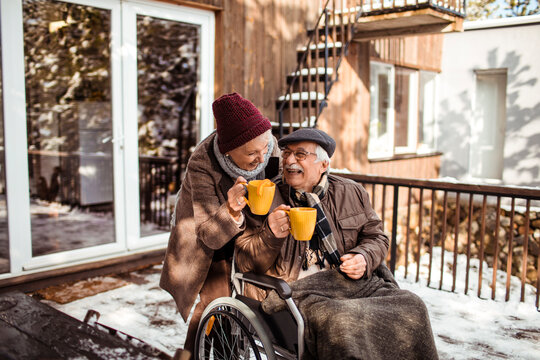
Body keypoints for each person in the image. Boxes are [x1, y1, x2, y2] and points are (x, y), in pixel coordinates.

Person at [235, 128, 439, 360]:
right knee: (342, 322)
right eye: (287, 153)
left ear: (323, 165)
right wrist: (270, 234)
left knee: (412, 306)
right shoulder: (265, 197)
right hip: (297, 293)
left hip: (348, 285)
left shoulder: (351, 192)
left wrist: (363, 257)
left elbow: (377, 237)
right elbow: (244, 261)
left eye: (300, 154)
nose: (289, 160)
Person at [160, 92, 280, 360]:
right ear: (228, 150)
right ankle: (199, 354)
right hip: (206, 236)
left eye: (266, 148)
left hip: (253, 233)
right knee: (215, 299)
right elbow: (208, 235)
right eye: (251, 154)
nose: (262, 158)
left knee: (249, 295)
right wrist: (230, 210)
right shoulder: (203, 164)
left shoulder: (267, 144)